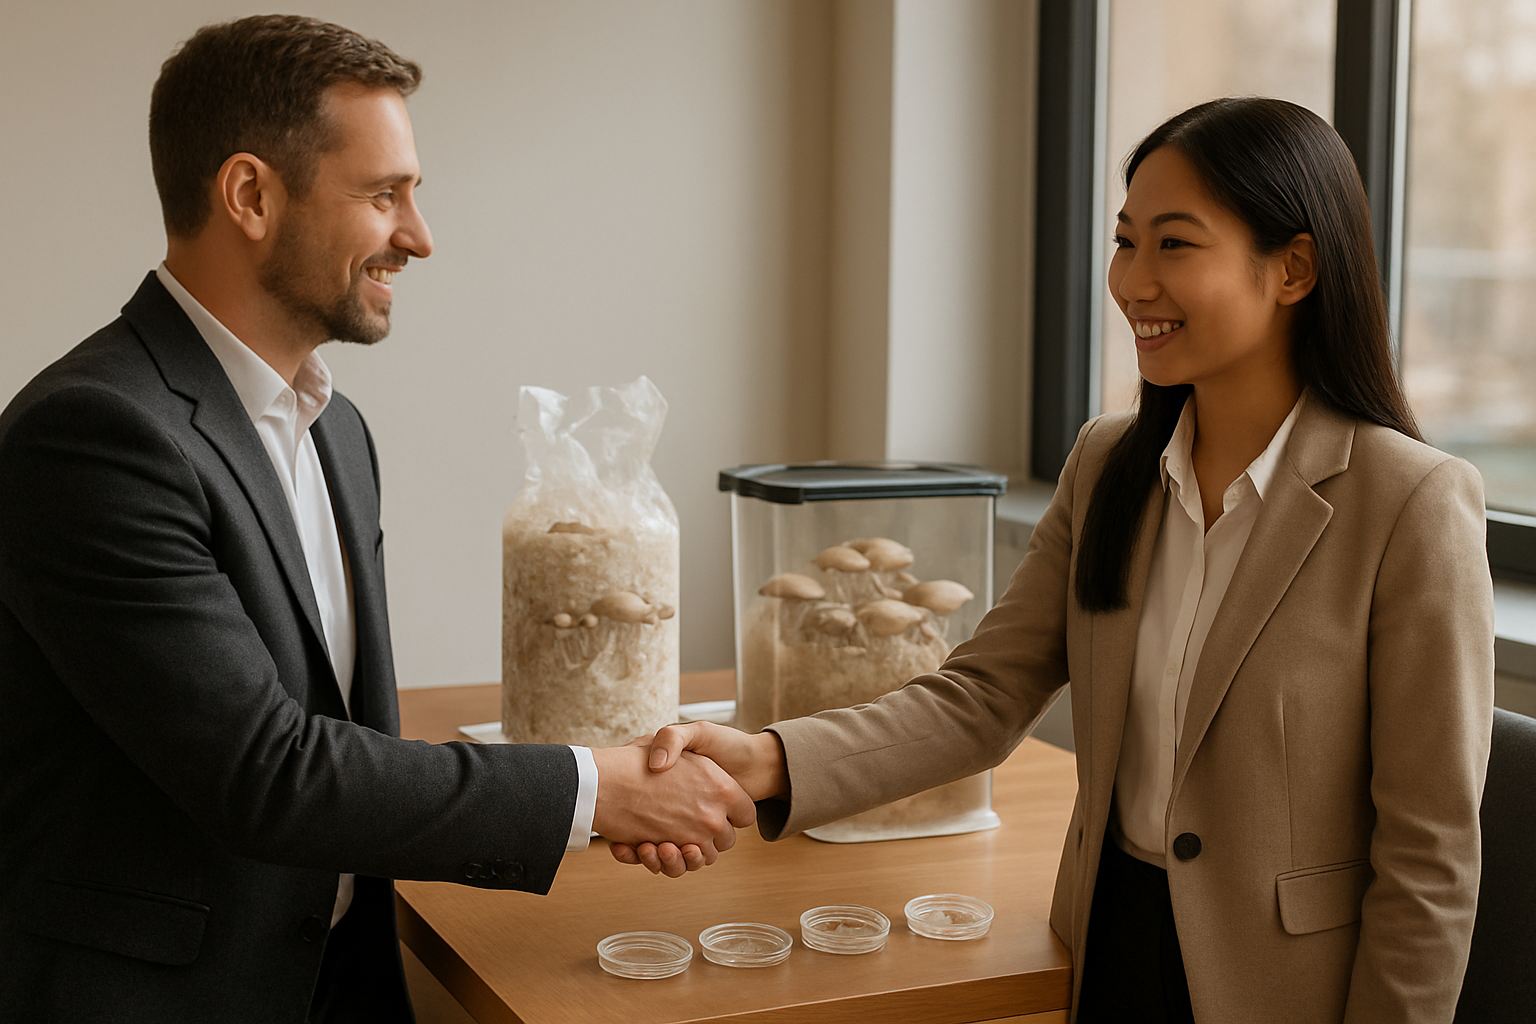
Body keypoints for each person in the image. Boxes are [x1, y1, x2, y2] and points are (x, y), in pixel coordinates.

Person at [626, 97, 1495, 1023]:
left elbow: (1429, 854)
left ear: (1293, 268)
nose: (1132, 282)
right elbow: (982, 697)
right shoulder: (1107, 464)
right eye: (1126, 243)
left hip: (1284, 985)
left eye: (1175, 244)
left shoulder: (1410, 503)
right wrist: (765, 759)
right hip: (1108, 939)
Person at [0, 15, 751, 1024]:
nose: (418, 235)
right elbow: (267, 772)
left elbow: (343, 730)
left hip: (335, 980)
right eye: (383, 194)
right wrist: (597, 791)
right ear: (251, 195)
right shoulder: (92, 436)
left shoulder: (336, 430)